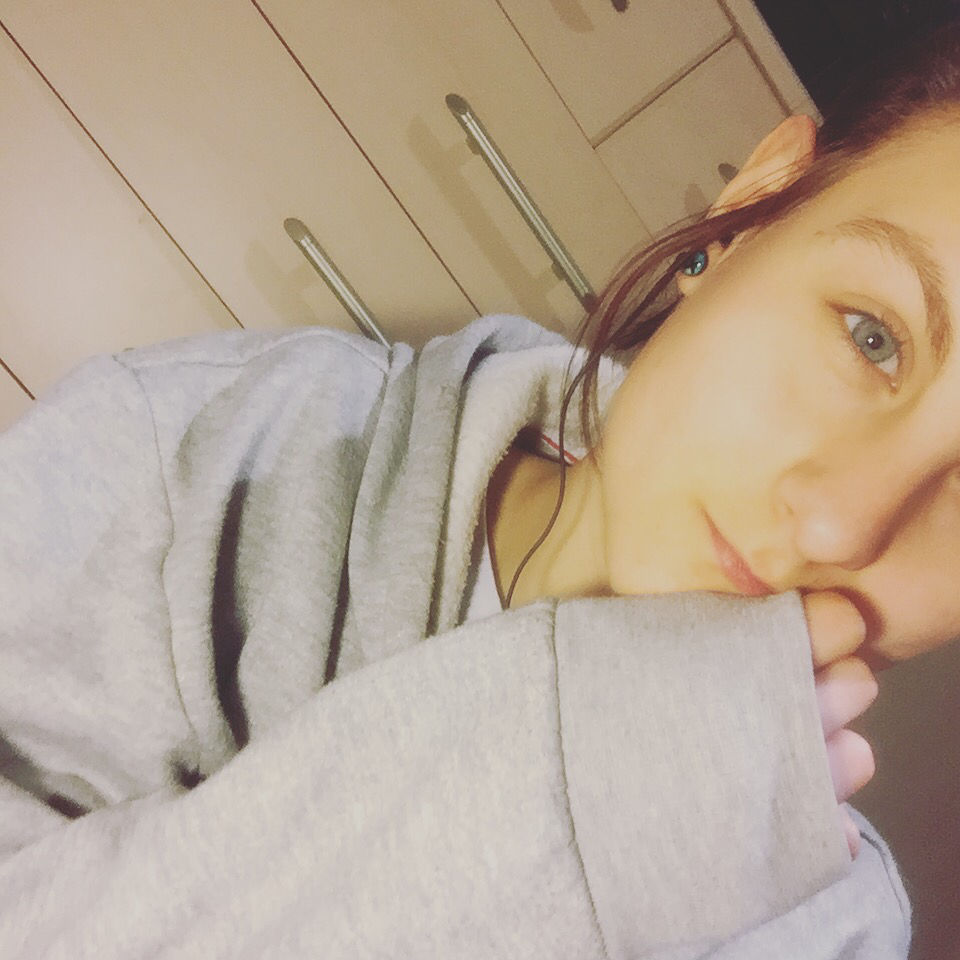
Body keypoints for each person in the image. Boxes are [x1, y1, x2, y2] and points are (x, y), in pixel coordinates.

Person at [3, 18, 959, 960]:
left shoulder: (836, 933)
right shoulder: (197, 463)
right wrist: (544, 807)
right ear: (756, 206)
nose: (840, 524)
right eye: (871, 336)